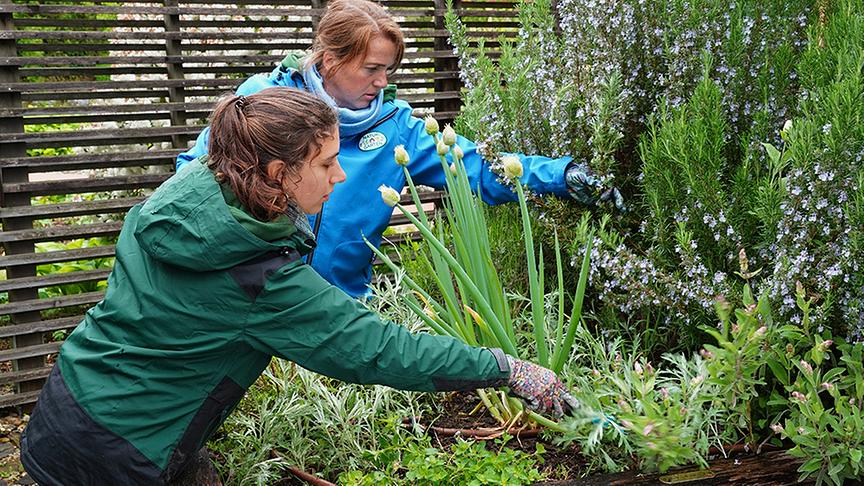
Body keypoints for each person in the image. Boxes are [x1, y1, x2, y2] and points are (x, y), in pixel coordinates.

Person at [20, 88, 578, 486]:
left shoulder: (184, 195)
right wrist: (507, 369)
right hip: (121, 458)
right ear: (273, 173)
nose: (340, 177)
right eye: (328, 163)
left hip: (67, 403)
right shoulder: (261, 282)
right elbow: (380, 350)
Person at [176, 0, 624, 299]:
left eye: (389, 69)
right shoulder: (262, 100)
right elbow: (194, 179)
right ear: (330, 60)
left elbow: (480, 171)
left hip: (341, 309)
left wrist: (560, 176)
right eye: (372, 68)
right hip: (251, 302)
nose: (383, 82)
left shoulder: (396, 129)